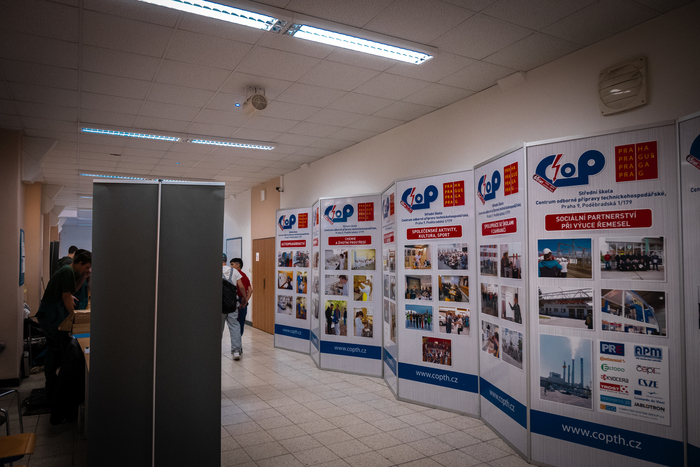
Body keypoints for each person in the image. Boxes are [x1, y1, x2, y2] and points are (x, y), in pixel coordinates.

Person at [36, 249, 92, 403]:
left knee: (56, 348)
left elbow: (73, 289)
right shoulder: (67, 270)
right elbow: (66, 296)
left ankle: (54, 383)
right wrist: (74, 316)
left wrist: (84, 276)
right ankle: (51, 385)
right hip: (51, 316)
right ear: (79, 263)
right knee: (53, 350)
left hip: (53, 315)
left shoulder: (71, 272)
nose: (88, 269)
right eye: (86, 267)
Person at [222, 254, 245, 360]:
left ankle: (215, 350)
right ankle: (236, 351)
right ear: (226, 260)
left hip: (220, 305)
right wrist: (244, 297)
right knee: (234, 326)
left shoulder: (214, 271)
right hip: (232, 303)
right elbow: (241, 286)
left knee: (218, 328)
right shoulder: (234, 271)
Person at [230, 258, 252, 336]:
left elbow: (240, 286)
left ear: (238, 265)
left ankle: (236, 341)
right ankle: (239, 341)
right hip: (243, 302)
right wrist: (245, 301)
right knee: (241, 322)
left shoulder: (235, 274)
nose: (230, 266)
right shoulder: (245, 275)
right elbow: (250, 290)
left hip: (236, 301)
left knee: (234, 324)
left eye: (232, 264)